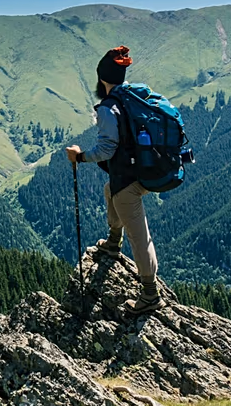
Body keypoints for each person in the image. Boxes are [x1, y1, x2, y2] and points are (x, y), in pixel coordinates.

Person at [65, 46, 162, 314]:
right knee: (111, 191)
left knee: (138, 234)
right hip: (146, 168)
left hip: (129, 178)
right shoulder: (135, 95)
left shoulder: (109, 108)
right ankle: (112, 242)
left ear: (101, 79)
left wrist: (80, 156)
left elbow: (107, 149)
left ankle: (150, 294)